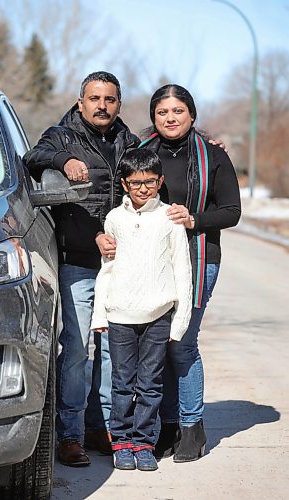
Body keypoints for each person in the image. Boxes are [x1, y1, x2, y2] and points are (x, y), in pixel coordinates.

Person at [97, 84, 241, 463]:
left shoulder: (213, 157)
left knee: (182, 343)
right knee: (155, 348)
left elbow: (232, 211)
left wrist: (195, 219)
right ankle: (163, 427)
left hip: (199, 257)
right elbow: (117, 206)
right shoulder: (141, 155)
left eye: (178, 111)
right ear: (153, 117)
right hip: (146, 264)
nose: (170, 118)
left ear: (192, 114)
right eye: (162, 112)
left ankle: (191, 426)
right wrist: (104, 236)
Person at [23, 71, 139, 466]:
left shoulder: (130, 142)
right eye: (94, 98)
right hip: (78, 263)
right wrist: (64, 159)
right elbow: (32, 158)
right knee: (75, 350)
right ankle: (69, 435)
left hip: (120, 266)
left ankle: (100, 428)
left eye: (109, 99)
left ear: (118, 104)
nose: (102, 106)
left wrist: (205, 141)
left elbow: (162, 163)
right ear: (80, 101)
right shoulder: (61, 134)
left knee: (111, 353)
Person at [90, 149, 192, 471]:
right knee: (121, 382)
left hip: (158, 316)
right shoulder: (114, 219)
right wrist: (100, 315)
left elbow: (182, 269)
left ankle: (144, 443)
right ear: (124, 184)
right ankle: (120, 441)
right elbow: (107, 269)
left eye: (150, 182)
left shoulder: (169, 219)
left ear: (160, 181)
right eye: (136, 183)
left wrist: (179, 322)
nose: (144, 189)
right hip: (120, 316)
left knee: (150, 383)